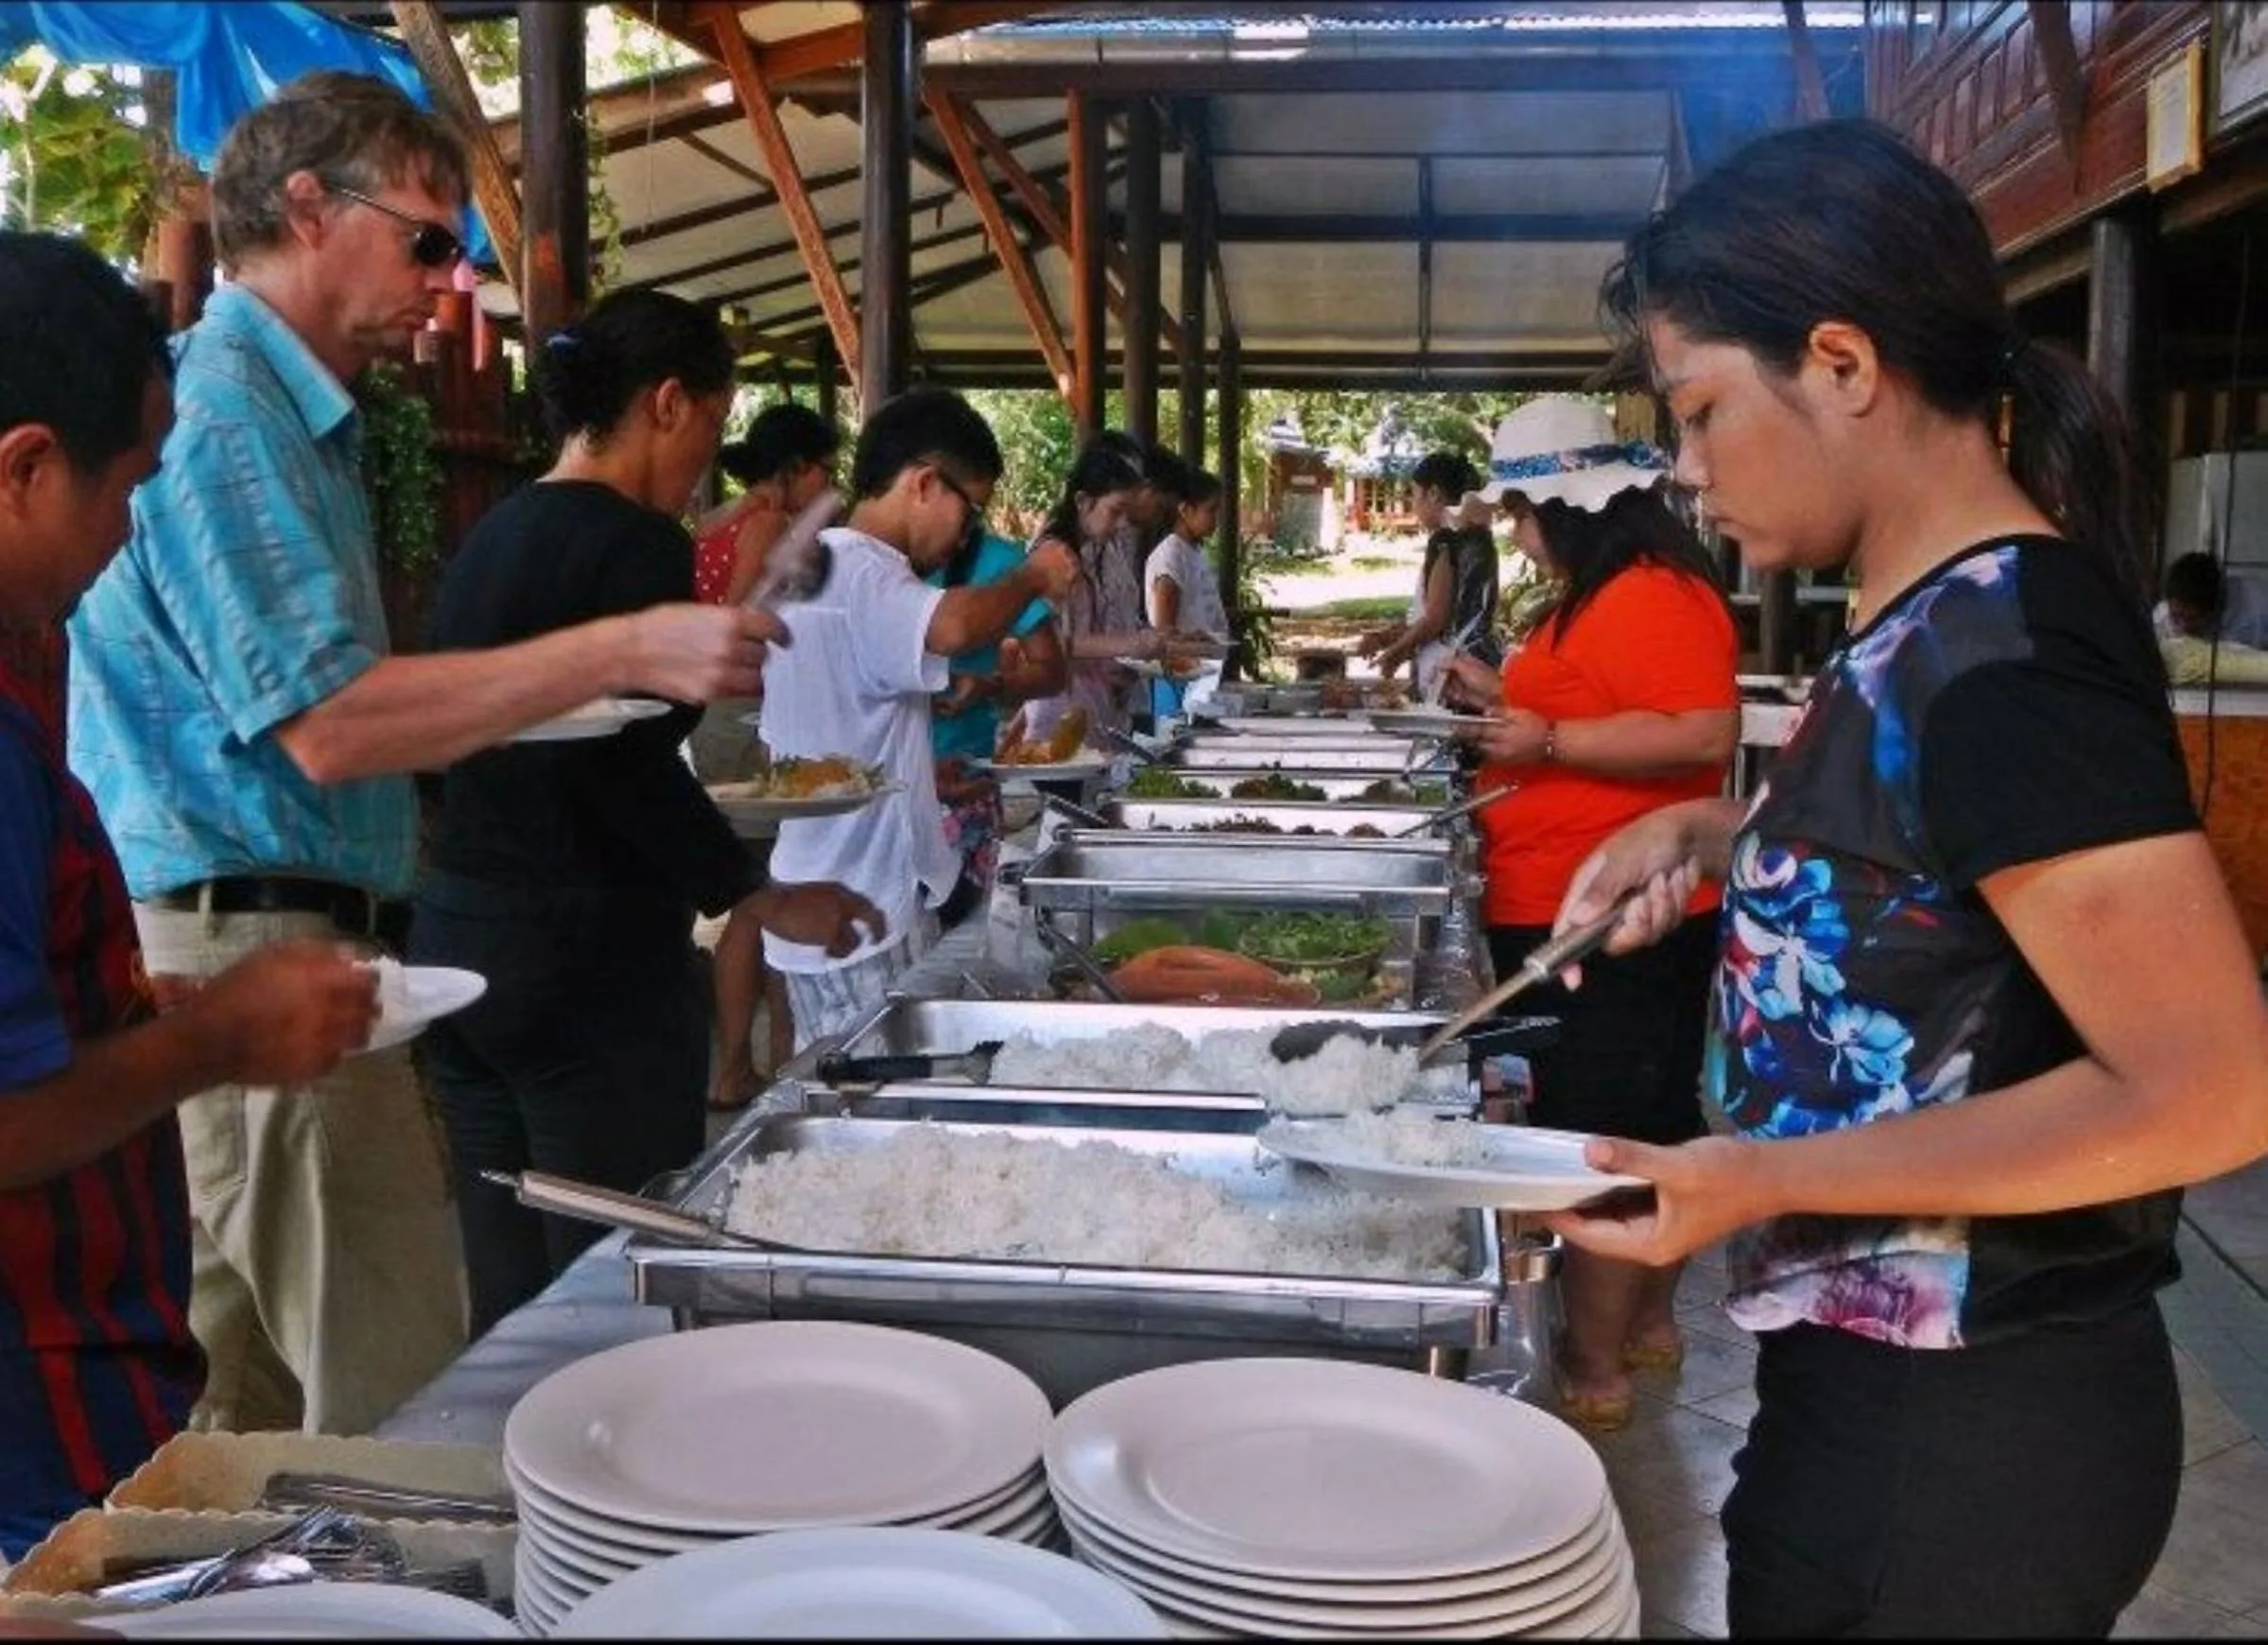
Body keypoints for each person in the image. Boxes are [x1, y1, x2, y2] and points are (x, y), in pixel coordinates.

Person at [1539, 118, 2268, 1636]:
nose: (1683, 471)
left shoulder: (2005, 656)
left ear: (1843, 365)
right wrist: (1711, 836)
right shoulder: (1918, 624)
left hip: (1970, 1429)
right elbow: (1933, 850)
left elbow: (2209, 1088)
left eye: (1698, 412)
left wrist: (1754, 1178)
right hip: (1885, 1396)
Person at [65, 72, 780, 1436]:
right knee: (401, 1418)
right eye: (430, 242)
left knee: (250, 1423)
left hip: (256, 938)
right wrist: (619, 650)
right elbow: (332, 725)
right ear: (305, 209)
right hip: (256, 951)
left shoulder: (287, 419)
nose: (449, 288)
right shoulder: (230, 413)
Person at [0, 232, 382, 1555]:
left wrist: (121, 1007)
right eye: (128, 489)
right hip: (29, 1440)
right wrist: (209, 1041)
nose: (131, 531)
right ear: (26, 469)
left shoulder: (24, 667)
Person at [406, 292, 879, 1337]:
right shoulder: (636, 543)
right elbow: (626, 769)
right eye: (712, 426)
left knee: (507, 1296)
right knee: (617, 1278)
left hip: (461, 945)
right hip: (585, 959)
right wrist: (758, 895)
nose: (705, 463)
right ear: (668, 403)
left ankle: (499, 1485)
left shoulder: (492, 534)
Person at [1440, 394, 1739, 1434]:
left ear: (1577, 507)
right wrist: (1505, 703)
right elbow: (1595, 708)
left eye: (1524, 513)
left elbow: (1699, 731)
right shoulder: (1597, 592)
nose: (1517, 533)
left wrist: (1548, 747)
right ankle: (1644, 1323)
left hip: (1616, 914)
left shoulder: (1652, 592)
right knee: (1643, 1109)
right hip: (1581, 902)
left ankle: (1596, 1358)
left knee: (1604, 1131)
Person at [759, 389, 1077, 1048]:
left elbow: (829, 725)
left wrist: (916, 773)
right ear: (926, 484)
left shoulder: (815, 567)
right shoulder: (866, 571)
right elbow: (956, 626)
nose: (967, 536)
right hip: (859, 904)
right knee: (870, 1098)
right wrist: (1030, 577)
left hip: (828, 887)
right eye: (971, 512)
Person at [686, 403, 841, 1109]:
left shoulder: (714, 519)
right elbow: (746, 614)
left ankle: (744, 1063)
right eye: (823, 469)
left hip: (712, 714)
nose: (828, 483)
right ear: (794, 470)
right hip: (746, 709)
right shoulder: (768, 525)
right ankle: (764, 1060)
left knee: (746, 890)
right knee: (765, 896)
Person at [928, 528, 1069, 920]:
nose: (960, 528)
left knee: (961, 926)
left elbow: (1052, 670)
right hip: (883, 792)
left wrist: (987, 686)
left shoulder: (997, 561)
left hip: (965, 776)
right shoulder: (866, 565)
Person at [1018, 437, 1175, 745]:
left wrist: (1131, 654)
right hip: (1059, 720)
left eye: (1125, 515)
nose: (1120, 524)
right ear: (1082, 502)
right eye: (1114, 512)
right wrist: (1124, 645)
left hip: (1100, 717)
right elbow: (1044, 645)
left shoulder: (1102, 548)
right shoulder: (1051, 556)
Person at [1359, 450, 1498, 693]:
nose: (1413, 504)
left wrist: (1398, 651)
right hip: (1480, 662)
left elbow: (1436, 617)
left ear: (1433, 494)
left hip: (1449, 669)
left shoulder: (1445, 541)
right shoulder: (1481, 540)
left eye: (1414, 494)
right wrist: (1386, 638)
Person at [689, 402, 840, 608]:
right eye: (827, 471)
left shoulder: (719, 516)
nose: (830, 484)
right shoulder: (768, 523)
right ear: (797, 465)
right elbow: (738, 619)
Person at [1144, 466, 1232, 719]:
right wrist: (1190, 645)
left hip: (1203, 671)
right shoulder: (1170, 556)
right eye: (1211, 510)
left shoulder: (1193, 551)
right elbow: (1164, 629)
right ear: (1185, 510)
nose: (1216, 519)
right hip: (1180, 677)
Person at [2153, 549, 2268, 650]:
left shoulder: (2256, 613)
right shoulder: (2161, 618)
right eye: (2176, 616)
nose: (2183, 627)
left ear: (2213, 610)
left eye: (2192, 619)